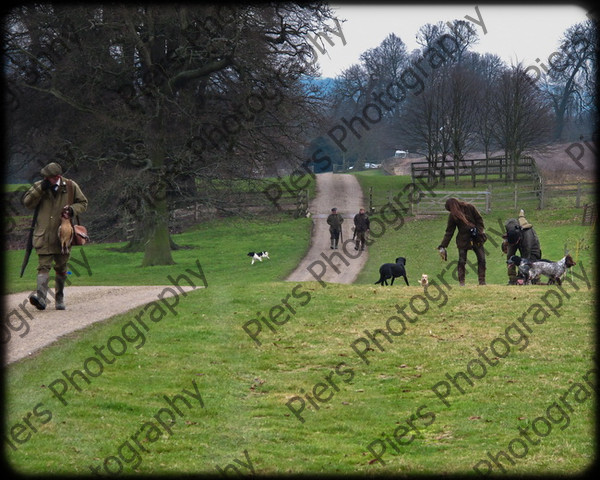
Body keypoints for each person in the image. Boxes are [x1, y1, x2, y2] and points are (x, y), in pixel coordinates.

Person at [23, 162, 88, 310]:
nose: (45, 179)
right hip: (43, 235)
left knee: (61, 267)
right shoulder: (40, 185)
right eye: (45, 177)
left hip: (63, 237)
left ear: (57, 177)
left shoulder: (71, 186)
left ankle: (59, 298)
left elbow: (83, 203)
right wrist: (39, 190)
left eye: (49, 177)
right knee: (43, 267)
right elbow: (27, 203)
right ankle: (41, 298)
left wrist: (72, 210)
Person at [437, 197, 487, 286]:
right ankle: (462, 282)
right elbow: (449, 231)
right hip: (463, 240)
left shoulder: (470, 207)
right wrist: (443, 245)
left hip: (477, 238)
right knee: (462, 261)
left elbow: (479, 220)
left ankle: (482, 281)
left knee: (482, 259)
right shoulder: (453, 216)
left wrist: (478, 232)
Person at [502, 209, 542, 285]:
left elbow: (525, 258)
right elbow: (510, 254)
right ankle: (512, 279)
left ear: (519, 239)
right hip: (513, 236)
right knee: (510, 257)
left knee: (533, 259)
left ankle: (533, 278)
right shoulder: (509, 226)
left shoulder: (527, 238)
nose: (513, 245)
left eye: (514, 243)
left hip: (532, 245)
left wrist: (521, 276)